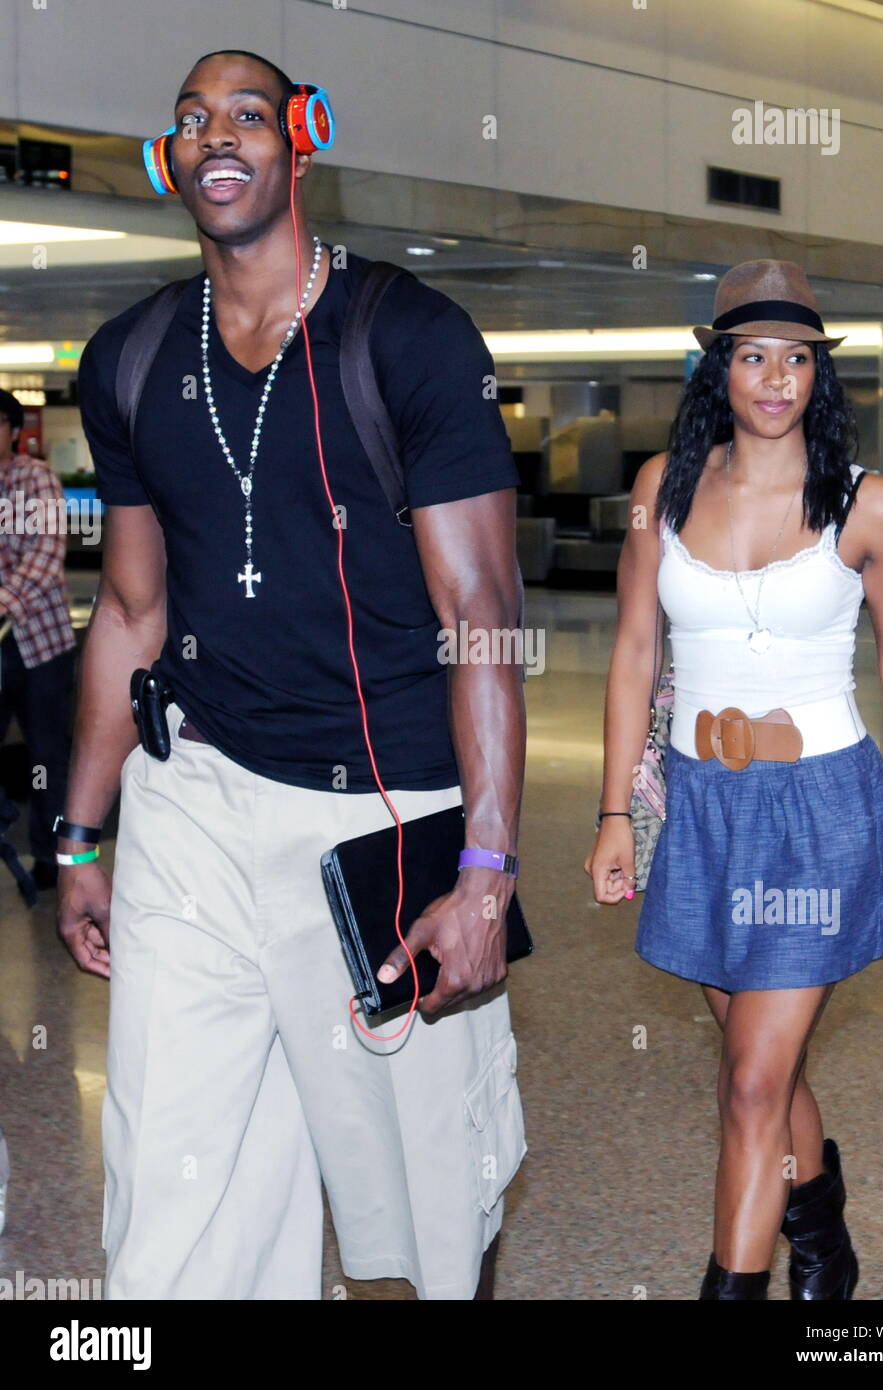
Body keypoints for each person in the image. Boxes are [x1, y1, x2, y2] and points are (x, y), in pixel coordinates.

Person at [58, 49, 527, 1300]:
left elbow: (480, 613)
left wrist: (484, 870)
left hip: (384, 815)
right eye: (192, 120)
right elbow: (130, 608)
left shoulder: (412, 337)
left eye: (249, 114)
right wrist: (81, 835)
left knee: (429, 1200)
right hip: (196, 801)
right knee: (176, 1188)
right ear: (169, 160)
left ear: (302, 139)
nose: (219, 135)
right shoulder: (131, 358)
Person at [586, 260, 883, 1300]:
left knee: (753, 1082)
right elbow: (632, 651)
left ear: (818, 376)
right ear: (719, 370)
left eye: (796, 358)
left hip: (821, 814)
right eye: (753, 356)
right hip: (703, 813)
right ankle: (823, 1226)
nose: (774, 377)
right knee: (766, 1068)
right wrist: (616, 807)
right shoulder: (659, 492)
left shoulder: (867, 504)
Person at [0, 388, 76, 892]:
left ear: (10, 430)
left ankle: (52, 858)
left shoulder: (35, 477)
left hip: (38, 643)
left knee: (47, 756)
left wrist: (3, 603)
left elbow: (47, 554)